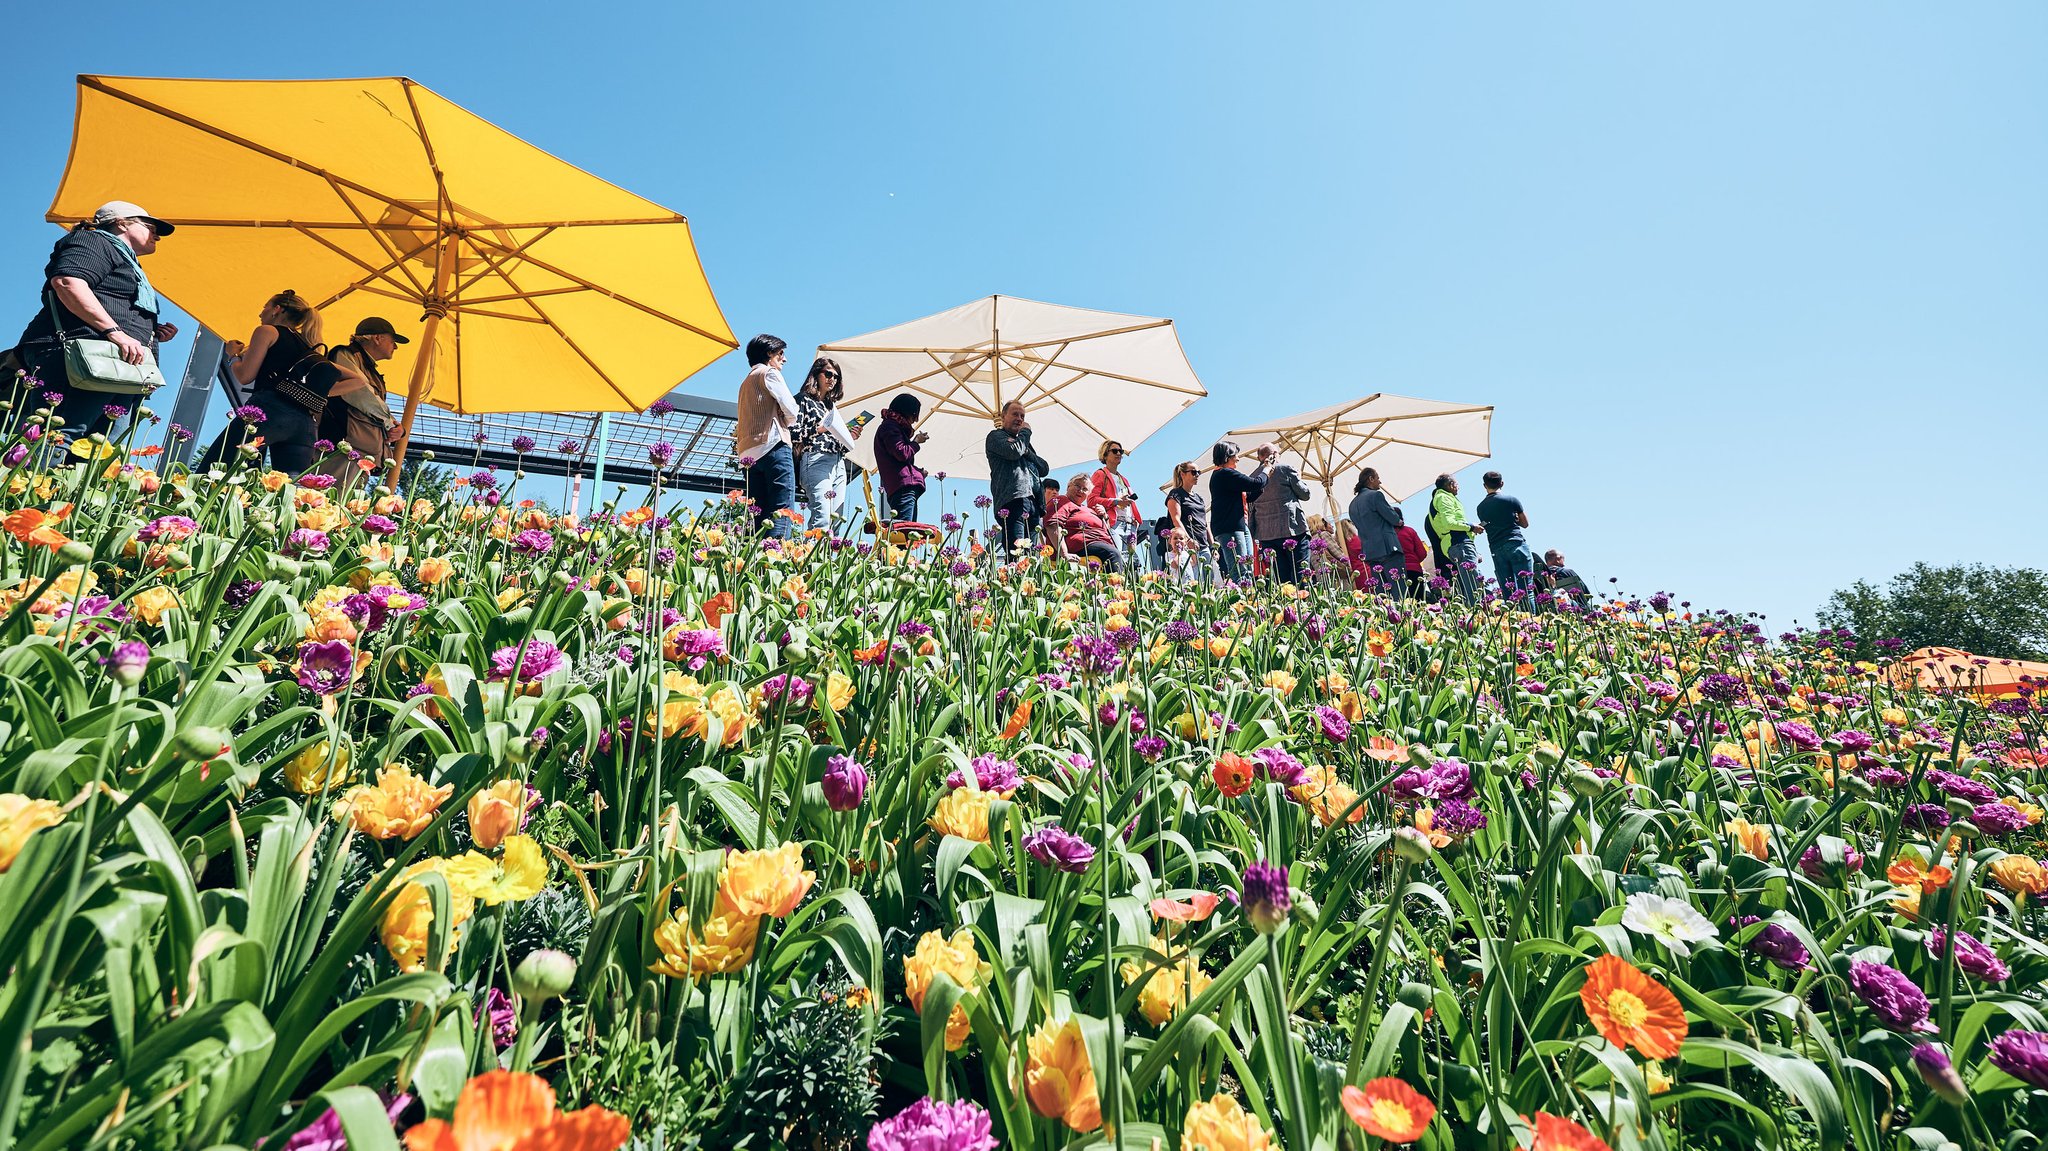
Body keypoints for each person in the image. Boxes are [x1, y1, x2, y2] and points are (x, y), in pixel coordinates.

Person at [8, 201, 179, 438]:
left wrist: (148, 330)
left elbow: (107, 300)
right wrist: (115, 331)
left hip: (117, 364)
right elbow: (68, 282)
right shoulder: (94, 241)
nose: (157, 235)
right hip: (84, 354)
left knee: (98, 450)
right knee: (60, 435)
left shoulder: (124, 258)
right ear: (122, 223)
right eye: (150, 226)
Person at [197, 290, 350, 474]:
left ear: (277, 309)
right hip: (304, 424)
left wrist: (233, 356)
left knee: (216, 472)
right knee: (288, 491)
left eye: (265, 308)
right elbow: (359, 380)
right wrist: (317, 391)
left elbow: (245, 376)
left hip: (268, 412)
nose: (261, 313)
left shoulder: (267, 331)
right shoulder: (310, 349)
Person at [318, 316, 407, 480]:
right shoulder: (345, 354)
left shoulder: (366, 365)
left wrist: (397, 428)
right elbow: (362, 394)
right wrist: (389, 423)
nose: (395, 346)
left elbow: (371, 400)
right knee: (329, 499)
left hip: (359, 451)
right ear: (377, 338)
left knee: (345, 503)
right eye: (393, 341)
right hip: (341, 448)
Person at [735, 334, 799, 539]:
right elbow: (791, 409)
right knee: (782, 509)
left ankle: (756, 561)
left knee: (757, 514)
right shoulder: (769, 373)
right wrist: (788, 420)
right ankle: (775, 560)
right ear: (769, 353)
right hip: (773, 446)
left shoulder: (745, 383)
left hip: (748, 455)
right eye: (781, 353)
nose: (784, 359)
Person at [793, 357, 859, 535]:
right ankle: (809, 561)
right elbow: (793, 433)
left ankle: (827, 562)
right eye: (828, 374)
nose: (832, 379)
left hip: (838, 463)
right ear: (816, 374)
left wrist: (848, 437)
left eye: (836, 377)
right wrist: (821, 428)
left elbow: (834, 442)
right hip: (815, 459)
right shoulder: (802, 399)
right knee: (822, 517)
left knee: (835, 522)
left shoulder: (830, 407)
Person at [984, 400, 1049, 557]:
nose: (1020, 419)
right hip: (1013, 500)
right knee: (1017, 554)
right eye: (1015, 414)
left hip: (1033, 503)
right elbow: (1013, 452)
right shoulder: (996, 436)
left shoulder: (1022, 442)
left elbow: (1044, 468)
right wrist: (1026, 434)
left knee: (1032, 558)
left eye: (1022, 415)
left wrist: (1026, 451)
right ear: (1003, 416)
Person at [1207, 440, 1272, 583]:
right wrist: (1266, 470)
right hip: (1230, 527)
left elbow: (1249, 495)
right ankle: (1241, 600)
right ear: (1227, 456)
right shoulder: (1224, 474)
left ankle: (1247, 597)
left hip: (1239, 526)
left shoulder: (1225, 475)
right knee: (1240, 569)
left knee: (1247, 566)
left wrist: (1264, 480)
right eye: (1235, 455)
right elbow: (1255, 483)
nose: (1238, 458)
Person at [1249, 455, 1312, 584]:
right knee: (1301, 571)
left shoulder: (1252, 478)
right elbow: (1305, 494)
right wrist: (1299, 477)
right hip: (1293, 529)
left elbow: (1251, 509)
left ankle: (1288, 603)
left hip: (1266, 535)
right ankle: (1304, 601)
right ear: (1274, 455)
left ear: (1258, 457)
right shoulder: (1286, 469)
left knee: (1282, 578)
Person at [1476, 470, 1534, 605]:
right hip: (1516, 543)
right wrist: (1513, 519)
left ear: (1484, 486)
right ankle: (1530, 623)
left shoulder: (1480, 508)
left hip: (1496, 548)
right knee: (1526, 589)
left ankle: (1513, 621)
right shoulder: (1511, 500)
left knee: (1509, 592)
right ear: (1502, 483)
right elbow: (1525, 524)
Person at [1347, 467, 1405, 596]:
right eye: (1378, 478)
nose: (1380, 482)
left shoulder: (1352, 505)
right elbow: (1393, 518)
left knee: (1382, 594)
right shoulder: (1375, 495)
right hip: (1388, 548)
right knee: (1399, 591)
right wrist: (1399, 521)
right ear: (1371, 479)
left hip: (1370, 552)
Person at [1426, 473, 1483, 602]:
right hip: (1458, 543)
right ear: (1451, 485)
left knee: (1471, 583)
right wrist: (1470, 527)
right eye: (1457, 484)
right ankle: (1476, 614)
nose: (1458, 487)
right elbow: (1449, 523)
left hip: (1454, 543)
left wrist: (1471, 530)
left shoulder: (1441, 498)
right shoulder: (1443, 498)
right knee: (1472, 585)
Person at [873, 392, 928, 524]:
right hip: (903, 489)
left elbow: (897, 460)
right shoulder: (890, 427)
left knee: (908, 531)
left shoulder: (891, 427)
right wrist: (916, 442)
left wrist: (916, 473)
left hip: (901, 488)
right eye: (915, 415)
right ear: (907, 412)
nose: (915, 420)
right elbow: (902, 453)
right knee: (904, 532)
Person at [1087, 439, 1144, 562]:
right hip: (1114, 524)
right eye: (1115, 451)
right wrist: (1116, 501)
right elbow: (1091, 500)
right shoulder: (1100, 474)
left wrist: (1136, 519)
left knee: (1132, 565)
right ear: (1105, 454)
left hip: (1130, 525)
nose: (1119, 453)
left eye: (1121, 451)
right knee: (1117, 560)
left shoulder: (1123, 479)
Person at [1047, 474, 1121, 566]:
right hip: (1081, 547)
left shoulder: (1090, 510)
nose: (1080, 491)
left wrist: (1105, 517)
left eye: (1085, 489)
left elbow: (1106, 531)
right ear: (1068, 486)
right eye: (1077, 486)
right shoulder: (1061, 501)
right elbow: (1053, 526)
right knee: (1112, 554)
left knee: (1132, 563)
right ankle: (1115, 580)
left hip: (1102, 545)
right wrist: (1064, 553)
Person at [1166, 461, 1213, 584]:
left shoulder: (1199, 498)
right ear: (1182, 474)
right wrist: (1188, 540)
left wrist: (1212, 544)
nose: (1197, 475)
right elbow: (1176, 518)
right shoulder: (1175, 494)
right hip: (1188, 547)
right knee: (1192, 582)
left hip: (1203, 545)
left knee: (1209, 583)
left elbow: (1204, 523)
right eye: (1193, 472)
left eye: (1199, 472)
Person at [1398, 521, 1429, 599]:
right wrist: (1414, 562)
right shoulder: (1409, 531)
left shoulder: (1386, 534)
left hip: (1395, 572)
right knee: (1418, 601)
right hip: (1414, 570)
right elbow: (1422, 553)